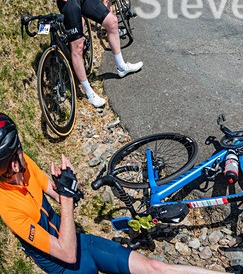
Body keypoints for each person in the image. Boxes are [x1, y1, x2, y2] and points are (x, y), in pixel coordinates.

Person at [0, 114, 217, 274]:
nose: (19, 165)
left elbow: (61, 196)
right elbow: (66, 253)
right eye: (6, 169)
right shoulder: (6, 207)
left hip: (80, 243)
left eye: (17, 155)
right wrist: (66, 200)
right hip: (64, 267)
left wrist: (68, 187)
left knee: (156, 267)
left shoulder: (25, 163)